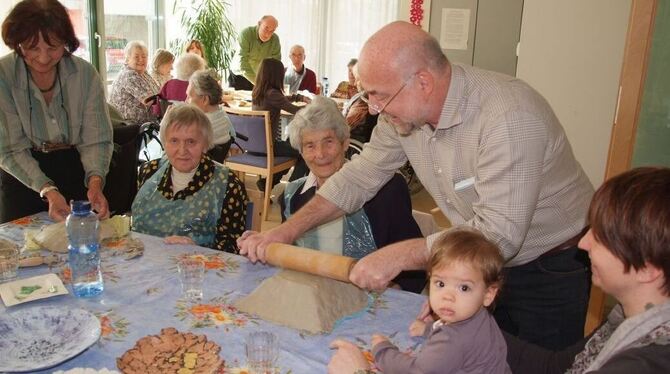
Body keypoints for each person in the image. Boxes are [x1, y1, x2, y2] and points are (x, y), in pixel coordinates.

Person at [238, 21, 595, 350]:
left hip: (548, 266)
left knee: (535, 362)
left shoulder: (508, 117)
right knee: (477, 358)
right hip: (477, 260)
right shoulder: (402, 115)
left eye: (379, 95)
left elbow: (499, 233)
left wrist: (395, 256)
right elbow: (359, 177)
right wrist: (283, 233)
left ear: (423, 82)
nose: (374, 109)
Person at [505, 167, 670, 373]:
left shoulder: (640, 365)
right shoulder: (628, 319)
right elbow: (554, 367)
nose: (583, 243)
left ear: (647, 268)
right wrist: (470, 323)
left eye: (600, 237)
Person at [281, 96, 424, 292]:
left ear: (345, 143)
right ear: (301, 152)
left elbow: (412, 265)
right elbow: (289, 257)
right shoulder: (291, 195)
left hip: (369, 303)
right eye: (310, 146)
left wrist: (393, 289)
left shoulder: (387, 190)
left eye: (328, 142)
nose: (320, 154)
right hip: (310, 299)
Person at [329, 229, 511, 373]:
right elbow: (448, 329)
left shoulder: (451, 340)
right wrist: (428, 329)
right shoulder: (478, 316)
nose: (447, 296)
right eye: (440, 283)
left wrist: (382, 350)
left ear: (488, 294)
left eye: (463, 288)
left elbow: (417, 370)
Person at [0, 0, 113, 223]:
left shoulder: (85, 75)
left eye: (53, 47)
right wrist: (48, 191)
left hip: (76, 172)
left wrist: (95, 183)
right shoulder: (4, 75)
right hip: (22, 178)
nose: (43, 58)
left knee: (80, 245)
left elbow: (96, 139)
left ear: (66, 42)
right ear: (17, 43)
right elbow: (10, 148)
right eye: (32, 48)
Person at [131, 104, 247, 253]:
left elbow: (235, 247)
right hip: (146, 263)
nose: (182, 150)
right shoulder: (148, 171)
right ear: (165, 143)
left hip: (198, 269)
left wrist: (197, 249)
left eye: (191, 141)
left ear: (205, 144)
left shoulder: (228, 184)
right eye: (174, 141)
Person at [251, 58, 310, 191]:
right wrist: (314, 107)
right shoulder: (273, 94)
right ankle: (291, 189)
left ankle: (268, 183)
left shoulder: (258, 92)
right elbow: (295, 110)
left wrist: (298, 97)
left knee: (292, 147)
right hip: (268, 147)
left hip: (255, 146)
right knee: (305, 151)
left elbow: (281, 99)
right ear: (276, 75)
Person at [186, 69, 235, 162]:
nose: (186, 101)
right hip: (213, 172)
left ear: (205, 100)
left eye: (189, 97)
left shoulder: (199, 128)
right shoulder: (224, 118)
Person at [109, 40, 160, 124]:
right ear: (127, 59)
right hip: (130, 125)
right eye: (136, 57)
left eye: (144, 56)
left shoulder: (143, 73)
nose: (141, 60)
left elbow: (158, 93)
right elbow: (149, 100)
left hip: (144, 123)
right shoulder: (129, 75)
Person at [235, 15, 281, 90]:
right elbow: (242, 62)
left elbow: (276, 64)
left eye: (272, 31)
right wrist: (260, 83)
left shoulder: (275, 39)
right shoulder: (246, 34)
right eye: (266, 28)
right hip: (240, 76)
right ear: (259, 24)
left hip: (260, 79)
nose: (268, 34)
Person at [342, 62, 378, 144]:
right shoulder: (359, 97)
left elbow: (346, 127)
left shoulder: (363, 101)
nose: (354, 84)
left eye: (357, 80)